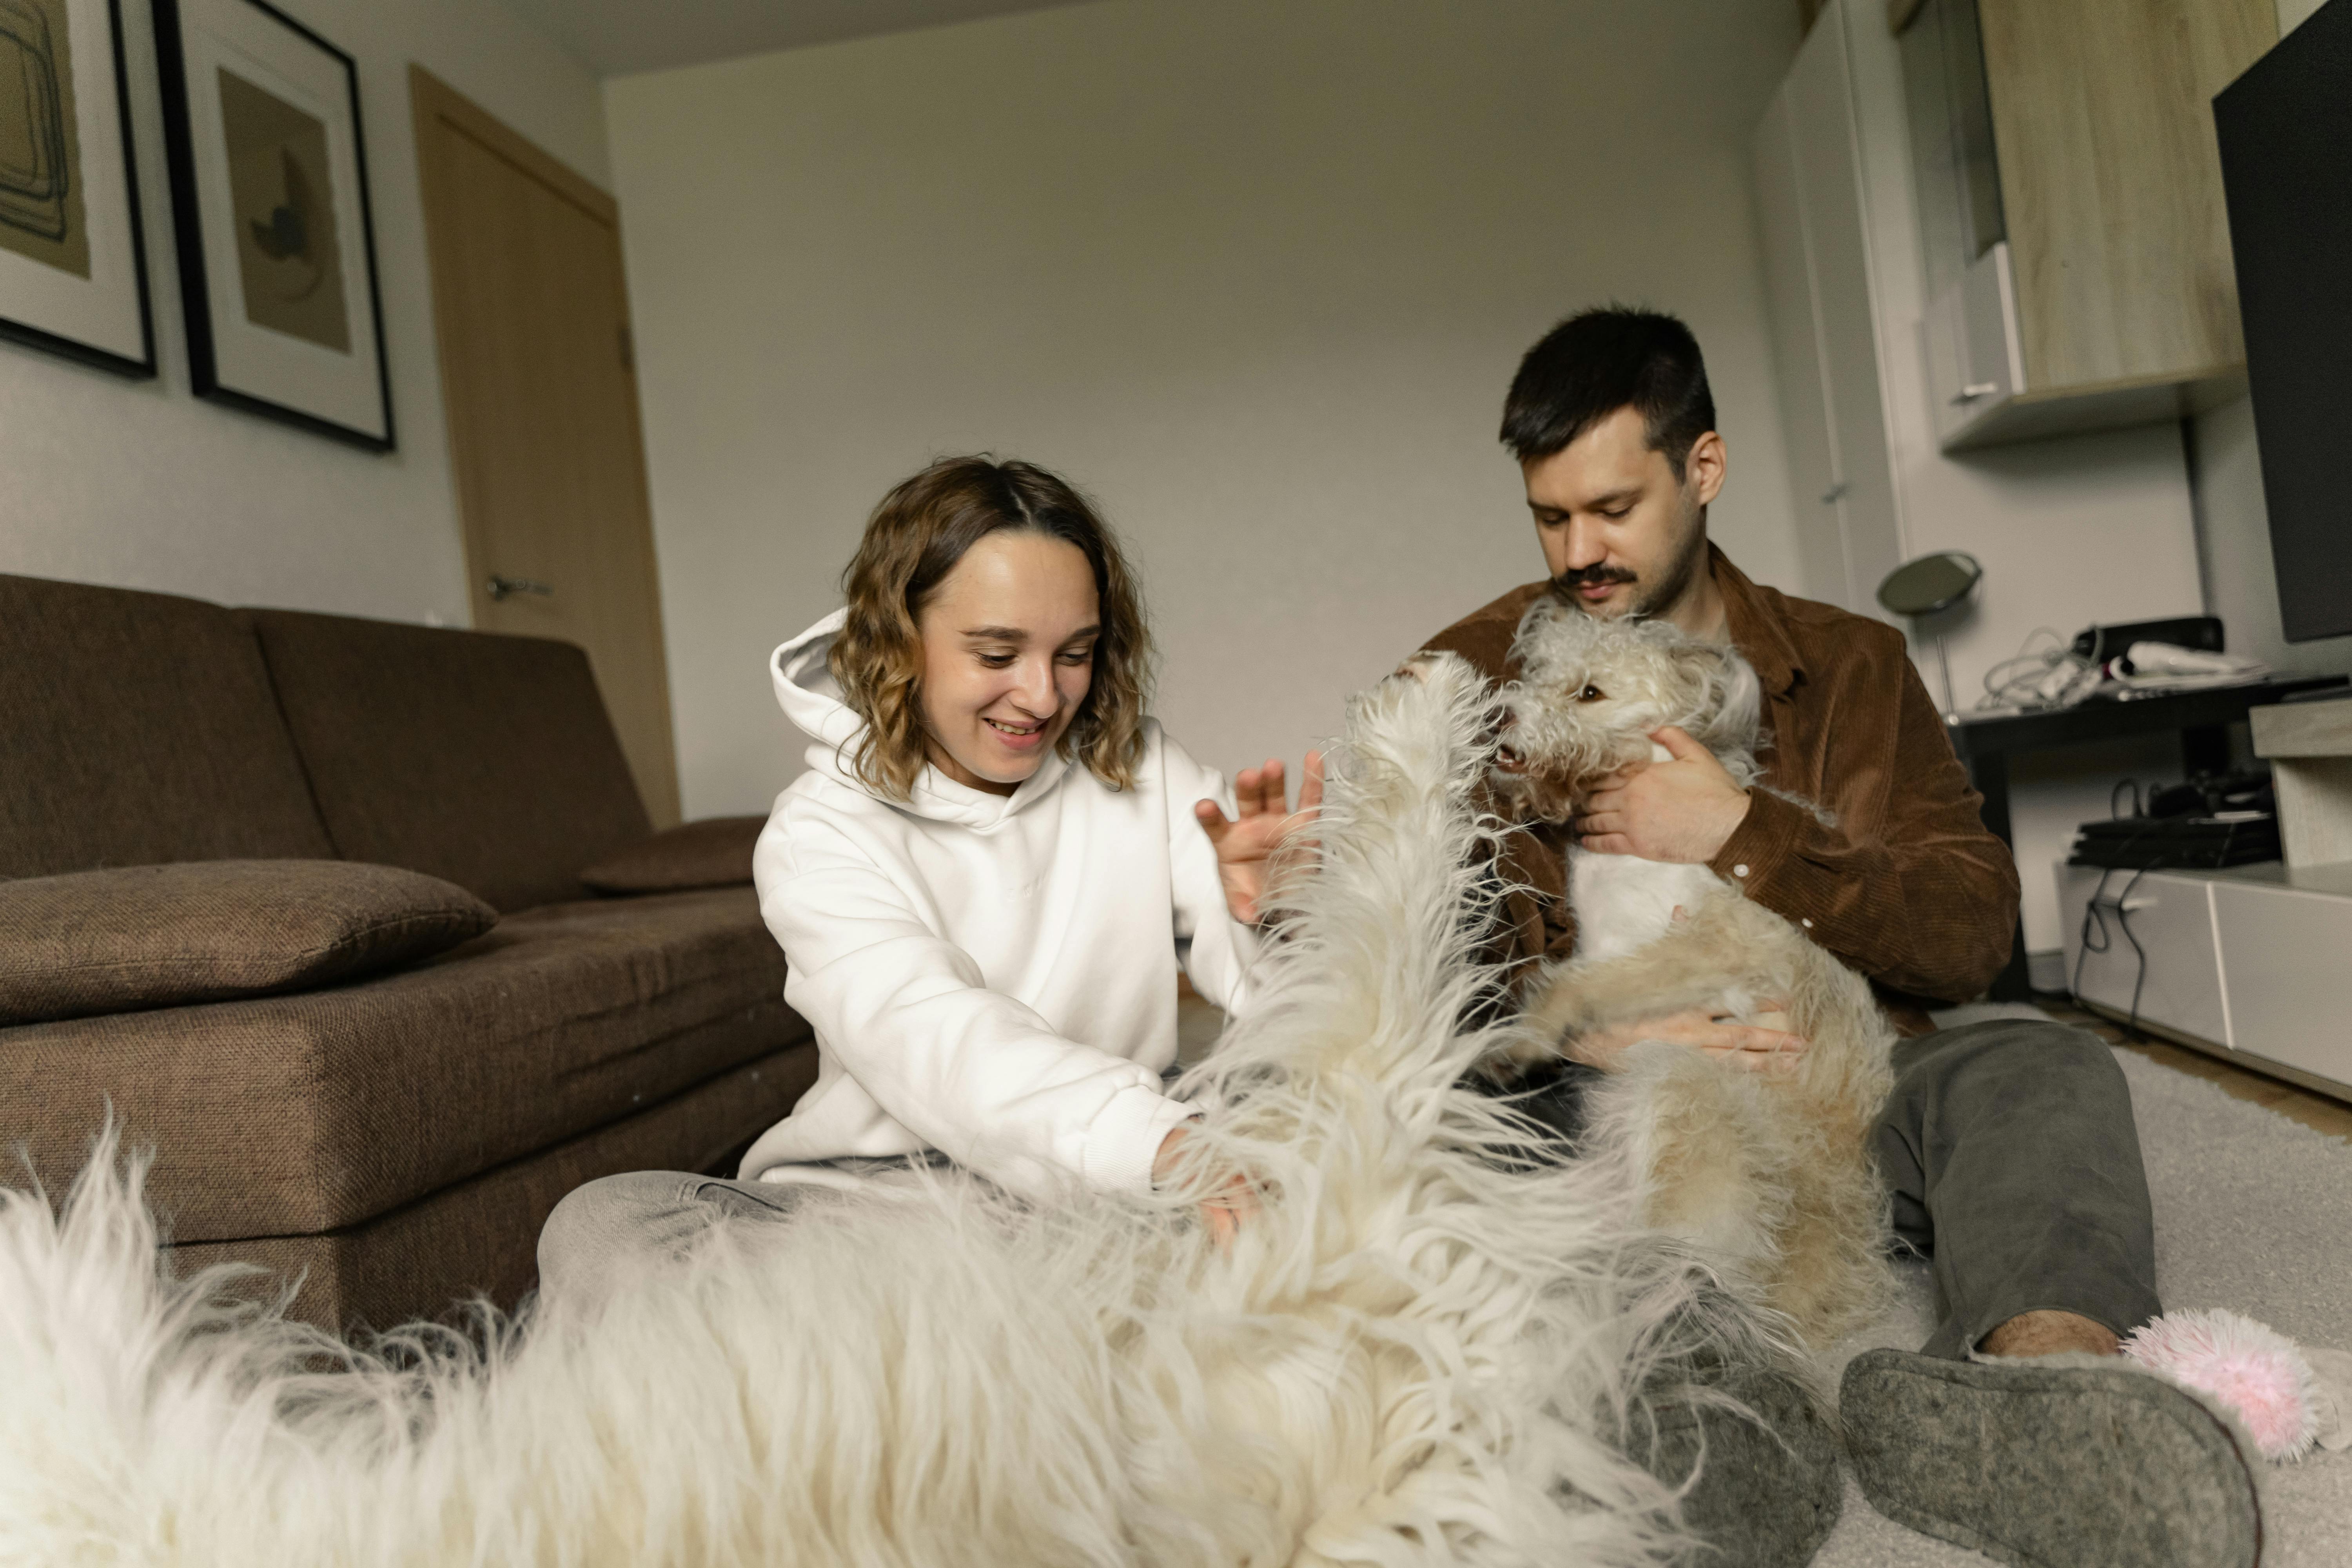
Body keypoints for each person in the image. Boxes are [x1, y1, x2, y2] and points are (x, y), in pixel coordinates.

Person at [1421, 308, 2258, 1567]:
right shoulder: (1476, 674)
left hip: (1841, 1084)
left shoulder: (1855, 665)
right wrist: (1602, 1040)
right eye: (1551, 516)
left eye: (1613, 507)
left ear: (1703, 467)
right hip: (1602, 1106)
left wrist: (1739, 828)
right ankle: (1724, 1414)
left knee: (2040, 1064)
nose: (1578, 551)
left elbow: (1970, 932)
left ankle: (2046, 1390)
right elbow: (1421, 955)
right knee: (1437, 1129)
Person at [538, 456, 1317, 1304]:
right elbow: (932, 1034)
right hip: (877, 1212)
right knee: (604, 1223)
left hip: (1096, 1197)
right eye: (997, 651)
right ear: (900, 638)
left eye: (1076, 653)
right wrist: (1159, 1142)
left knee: (1320, 1172)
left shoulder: (1145, 773)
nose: (1042, 695)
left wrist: (1278, 912)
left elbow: (1291, 1008)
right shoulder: (819, 829)